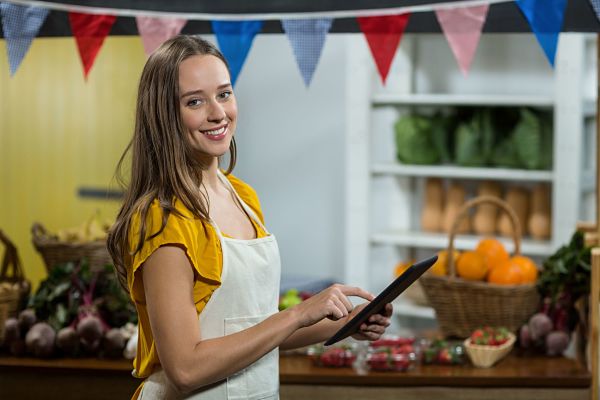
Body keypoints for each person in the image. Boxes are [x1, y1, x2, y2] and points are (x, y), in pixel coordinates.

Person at [107, 35, 393, 400]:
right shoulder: (162, 219)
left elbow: (254, 329)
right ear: (164, 115)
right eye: (195, 101)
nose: (218, 113)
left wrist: (345, 322)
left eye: (224, 94)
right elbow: (183, 369)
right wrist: (297, 313)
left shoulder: (242, 197)